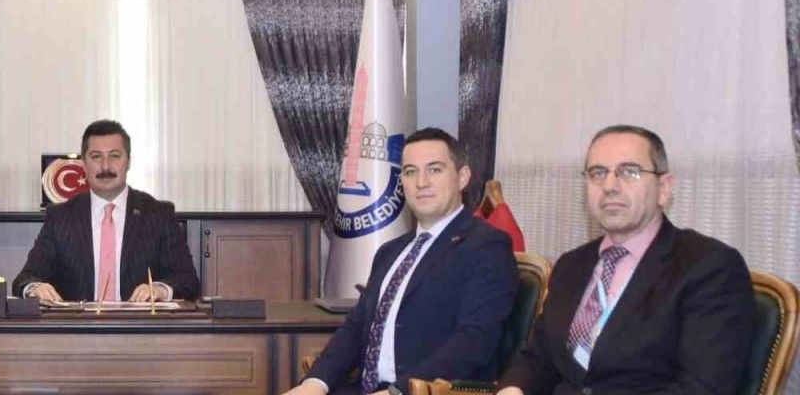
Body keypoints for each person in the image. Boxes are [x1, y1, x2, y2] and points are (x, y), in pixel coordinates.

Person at [495, 125, 755, 395]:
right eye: (598, 173)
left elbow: (701, 388)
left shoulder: (709, 267)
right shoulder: (571, 265)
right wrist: (513, 389)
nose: (609, 186)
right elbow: (539, 359)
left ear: (664, 188)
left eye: (629, 172)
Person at [287, 127, 519, 395]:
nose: (421, 182)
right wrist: (315, 383)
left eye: (434, 169)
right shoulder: (390, 252)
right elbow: (356, 327)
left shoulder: (486, 246)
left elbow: (475, 341)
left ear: (462, 177)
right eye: (410, 172)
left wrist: (398, 391)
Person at [13, 119, 200, 302]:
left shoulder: (158, 215)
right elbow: (25, 278)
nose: (105, 166)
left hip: (139, 322)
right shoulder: (61, 217)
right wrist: (36, 288)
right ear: (84, 164)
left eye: (114, 156)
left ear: (128, 162)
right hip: (77, 322)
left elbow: (188, 281)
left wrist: (160, 289)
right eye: (96, 157)